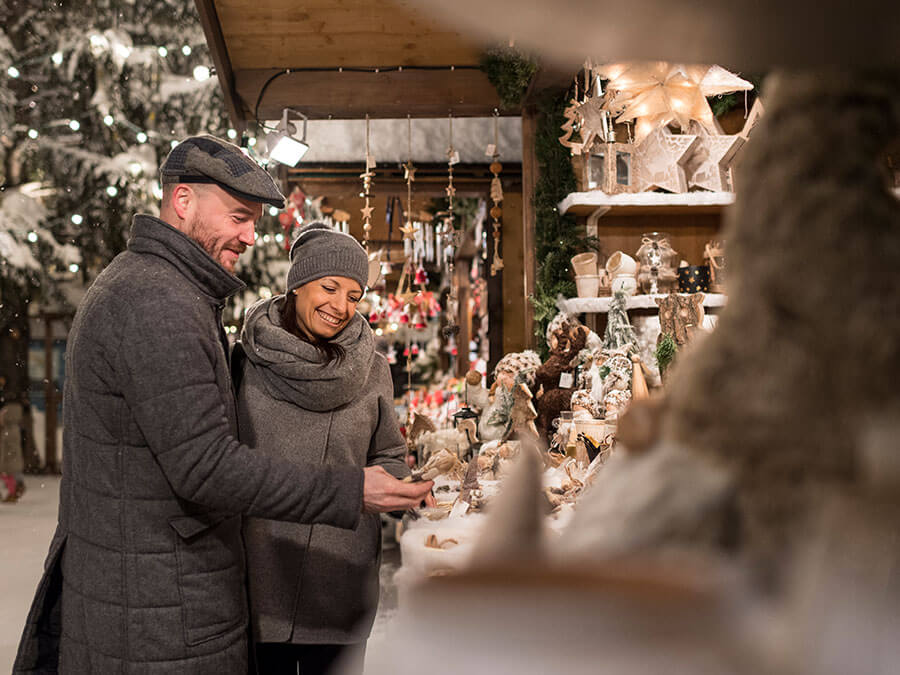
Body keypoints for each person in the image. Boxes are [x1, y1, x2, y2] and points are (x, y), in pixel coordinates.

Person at [14, 136, 432, 674]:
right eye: (238, 216)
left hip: (155, 595)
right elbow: (206, 466)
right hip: (160, 611)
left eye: (253, 221)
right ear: (182, 201)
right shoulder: (157, 302)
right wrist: (351, 489)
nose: (249, 235)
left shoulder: (167, 289)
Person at [234, 223, 429, 675]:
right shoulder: (244, 362)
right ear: (297, 283)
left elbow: (387, 454)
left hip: (340, 575)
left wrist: (406, 490)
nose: (340, 307)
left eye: (354, 295)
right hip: (262, 577)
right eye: (329, 287)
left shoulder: (372, 368)